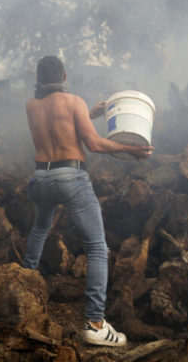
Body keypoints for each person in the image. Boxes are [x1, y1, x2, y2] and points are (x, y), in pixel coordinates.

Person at [22, 55, 153, 348]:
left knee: (40, 229)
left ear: (39, 78)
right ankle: (95, 323)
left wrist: (89, 113)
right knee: (96, 248)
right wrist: (131, 148)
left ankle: (22, 284)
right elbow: (93, 144)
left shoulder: (31, 106)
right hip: (70, 179)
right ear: (64, 76)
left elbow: (57, 126)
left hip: (40, 179)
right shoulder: (73, 102)